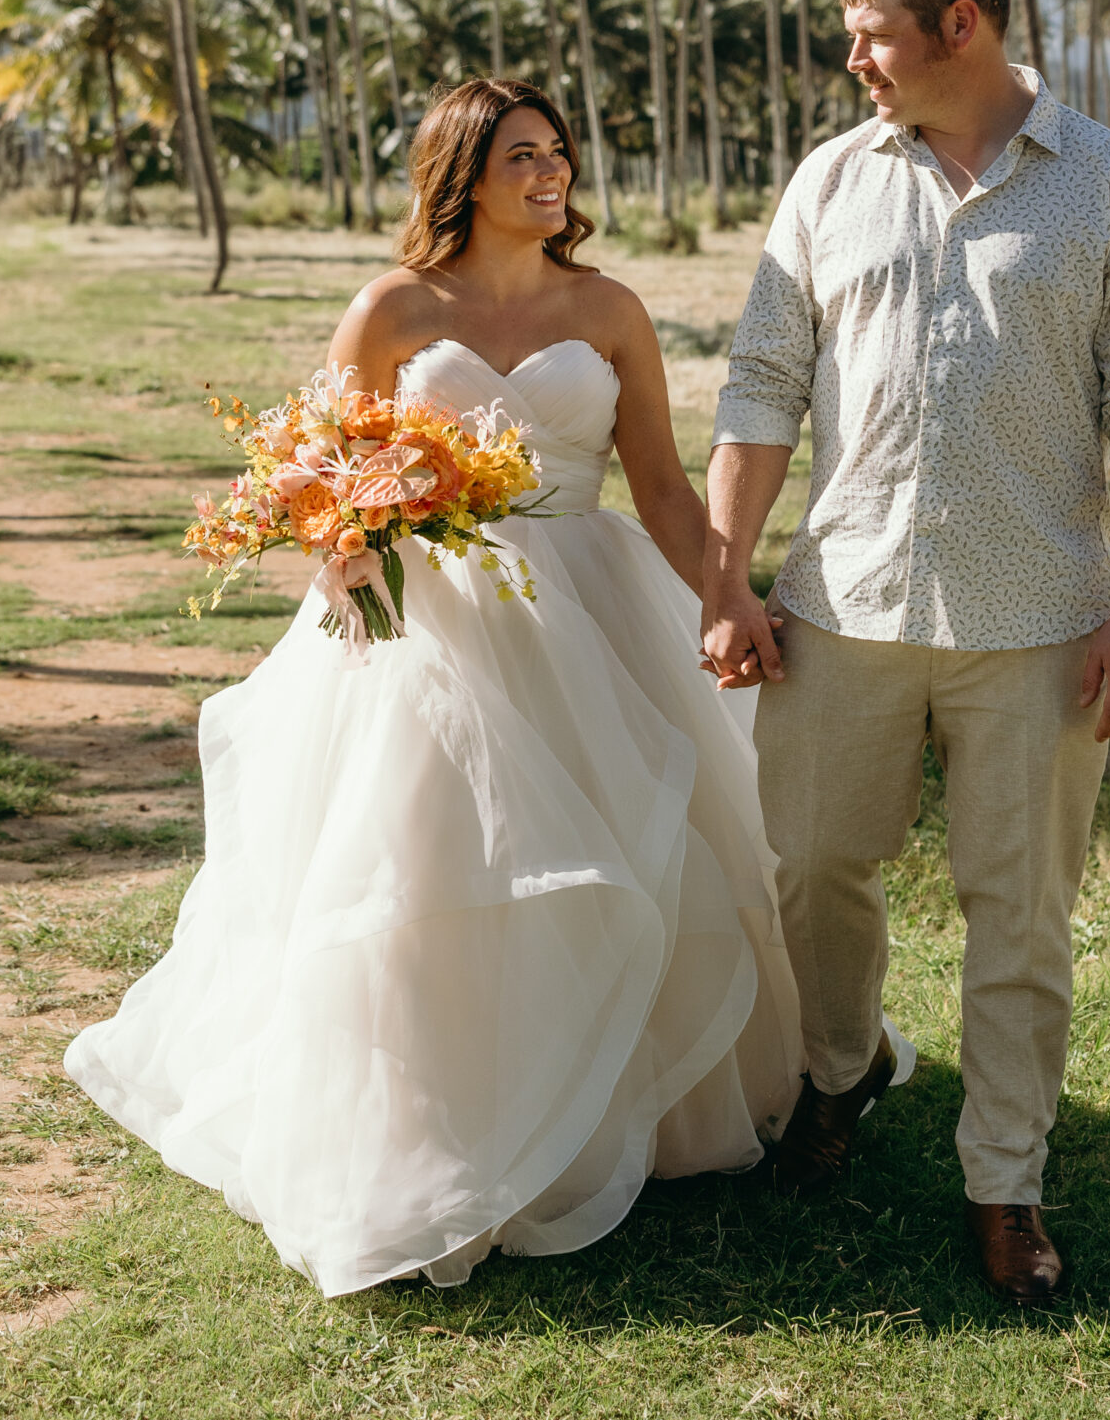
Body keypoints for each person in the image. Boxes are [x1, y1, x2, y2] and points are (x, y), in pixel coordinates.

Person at [66, 78, 802, 1297]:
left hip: (592, 602)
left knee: (633, 849)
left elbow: (663, 488)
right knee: (422, 867)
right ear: (461, 173)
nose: (551, 172)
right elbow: (317, 467)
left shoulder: (610, 308)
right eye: (522, 155)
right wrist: (343, 538)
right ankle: (434, 1136)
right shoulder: (396, 306)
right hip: (426, 617)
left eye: (559, 152)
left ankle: (623, 1114)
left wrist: (728, 592)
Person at [701, 0, 1110, 1306]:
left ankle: (1004, 1187)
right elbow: (759, 385)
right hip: (840, 603)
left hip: (1039, 619)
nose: (852, 60)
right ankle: (839, 1073)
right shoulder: (826, 183)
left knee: (1018, 914)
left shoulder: (1105, 183)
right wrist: (725, 576)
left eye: (870, 37)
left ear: (958, 27)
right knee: (810, 871)